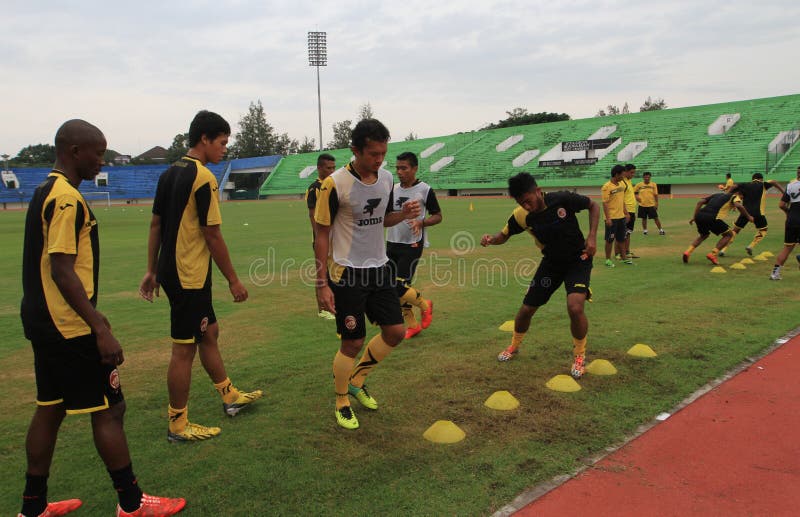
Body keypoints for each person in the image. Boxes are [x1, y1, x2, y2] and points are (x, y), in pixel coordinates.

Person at [19, 120, 185, 517]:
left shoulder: (45, 190)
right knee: (110, 409)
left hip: (43, 320)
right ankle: (131, 503)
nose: (102, 161)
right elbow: (62, 269)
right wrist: (98, 326)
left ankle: (33, 507)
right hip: (68, 325)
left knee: (50, 408)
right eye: (97, 153)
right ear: (74, 151)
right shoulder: (66, 199)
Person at [139, 110, 261, 443]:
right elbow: (212, 234)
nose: (225, 149)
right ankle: (177, 424)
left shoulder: (169, 173)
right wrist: (234, 280)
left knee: (210, 332)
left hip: (175, 270)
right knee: (184, 349)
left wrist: (152, 269)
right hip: (188, 274)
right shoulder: (203, 177)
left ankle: (229, 396)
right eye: (222, 142)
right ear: (204, 139)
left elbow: (155, 225)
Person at [314, 118, 421, 430]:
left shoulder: (386, 178)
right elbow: (321, 234)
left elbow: (383, 219)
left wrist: (403, 214)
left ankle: (357, 380)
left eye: (383, 153)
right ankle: (341, 400)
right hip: (347, 272)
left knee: (395, 332)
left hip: (380, 268)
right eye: (373, 154)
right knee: (353, 341)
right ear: (355, 150)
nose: (380, 160)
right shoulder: (334, 184)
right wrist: (321, 284)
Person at [482, 172, 599, 379]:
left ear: (538, 191)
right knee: (526, 309)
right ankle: (514, 346)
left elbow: (594, 205)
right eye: (521, 203)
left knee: (575, 306)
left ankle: (579, 356)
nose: (526, 206)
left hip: (578, 259)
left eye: (528, 200)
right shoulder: (521, 215)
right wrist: (491, 239)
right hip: (551, 264)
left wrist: (591, 237)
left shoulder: (562, 199)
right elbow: (504, 235)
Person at [386, 151, 442, 339]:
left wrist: (421, 222)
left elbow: (438, 216)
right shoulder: (392, 189)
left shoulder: (425, 190)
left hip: (412, 244)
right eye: (397, 168)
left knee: (399, 286)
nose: (399, 172)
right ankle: (412, 325)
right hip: (391, 242)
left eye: (404, 168)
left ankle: (425, 305)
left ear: (415, 168)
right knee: (395, 289)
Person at [683, 185, 753, 265]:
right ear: (738, 193)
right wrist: (749, 217)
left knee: (703, 235)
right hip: (713, 218)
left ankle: (688, 252)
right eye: (742, 198)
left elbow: (700, 202)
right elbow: (739, 206)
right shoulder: (734, 197)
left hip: (700, 216)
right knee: (729, 235)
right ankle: (713, 254)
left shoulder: (717, 195)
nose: (741, 199)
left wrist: (694, 217)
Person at [719, 172, 783, 257]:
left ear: (753, 179)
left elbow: (734, 187)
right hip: (758, 213)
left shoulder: (745, 185)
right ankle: (751, 246)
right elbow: (774, 181)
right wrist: (783, 192)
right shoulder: (763, 184)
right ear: (761, 179)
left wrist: (726, 195)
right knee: (763, 229)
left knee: (735, 231)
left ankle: (723, 250)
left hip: (745, 213)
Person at [306, 153, 337, 320]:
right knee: (322, 273)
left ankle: (334, 305)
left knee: (335, 272)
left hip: (336, 238)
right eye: (328, 168)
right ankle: (322, 309)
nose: (332, 171)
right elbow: (312, 215)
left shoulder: (335, 185)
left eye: (333, 168)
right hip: (322, 239)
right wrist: (319, 237)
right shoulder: (314, 188)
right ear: (319, 168)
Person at [770, 165, 800, 280]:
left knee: (787, 248)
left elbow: (781, 205)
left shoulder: (790, 185)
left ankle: (774, 274)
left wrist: (789, 212)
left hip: (791, 219)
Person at [601, 165, 630, 267]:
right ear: (616, 174)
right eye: (622, 175)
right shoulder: (606, 187)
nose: (623, 177)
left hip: (621, 217)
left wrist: (626, 213)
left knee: (621, 239)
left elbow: (622, 200)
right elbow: (605, 203)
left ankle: (624, 258)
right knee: (610, 239)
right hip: (611, 218)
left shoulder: (621, 185)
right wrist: (608, 218)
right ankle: (608, 260)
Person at [621, 163, 639, 259]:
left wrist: (633, 212)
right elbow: (621, 199)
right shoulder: (622, 182)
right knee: (622, 234)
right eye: (631, 173)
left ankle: (627, 252)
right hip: (626, 211)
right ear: (625, 172)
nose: (633, 175)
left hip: (631, 211)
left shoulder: (629, 181)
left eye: (634, 173)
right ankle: (620, 253)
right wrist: (626, 213)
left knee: (628, 233)